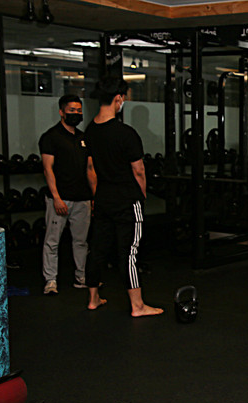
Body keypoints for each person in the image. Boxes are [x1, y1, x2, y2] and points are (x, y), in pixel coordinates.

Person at [83, 76, 163, 318]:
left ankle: (93, 299)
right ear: (118, 98)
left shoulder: (90, 130)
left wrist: (97, 196)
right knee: (128, 252)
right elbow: (139, 171)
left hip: (103, 198)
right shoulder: (125, 133)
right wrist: (141, 195)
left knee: (97, 248)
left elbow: (91, 169)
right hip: (126, 200)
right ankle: (138, 306)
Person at [39, 94, 95, 295]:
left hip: (82, 199)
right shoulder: (50, 137)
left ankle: (81, 277)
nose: (76, 114)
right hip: (60, 199)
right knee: (52, 242)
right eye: (72, 110)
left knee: (81, 242)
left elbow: (90, 169)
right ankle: (50, 281)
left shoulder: (83, 138)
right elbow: (48, 169)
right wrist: (56, 198)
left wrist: (94, 196)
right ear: (62, 112)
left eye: (79, 111)